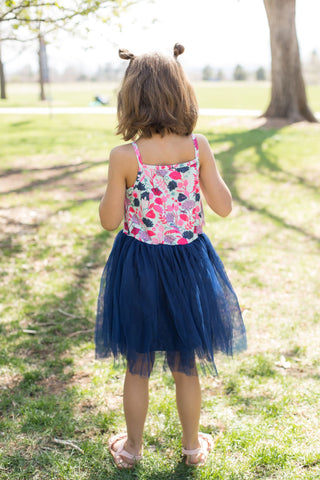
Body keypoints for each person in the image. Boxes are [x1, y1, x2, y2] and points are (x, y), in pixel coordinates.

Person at [95, 43, 247, 469]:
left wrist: (115, 190)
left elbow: (110, 220)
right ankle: (192, 447)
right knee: (186, 363)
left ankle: (133, 450)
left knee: (138, 363)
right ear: (182, 93)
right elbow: (224, 205)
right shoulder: (197, 147)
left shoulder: (125, 157)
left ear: (131, 98)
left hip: (139, 267)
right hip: (188, 266)